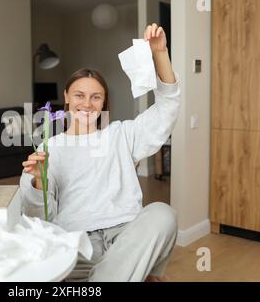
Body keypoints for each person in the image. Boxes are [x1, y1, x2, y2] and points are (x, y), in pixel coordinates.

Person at [19, 23, 180, 282]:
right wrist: (39, 182)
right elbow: (39, 219)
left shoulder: (122, 134)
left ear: (104, 101)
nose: (87, 103)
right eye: (79, 95)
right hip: (78, 243)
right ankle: (130, 274)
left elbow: (167, 108)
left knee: (163, 214)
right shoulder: (50, 147)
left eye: (96, 97)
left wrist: (160, 53)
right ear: (67, 97)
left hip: (126, 237)